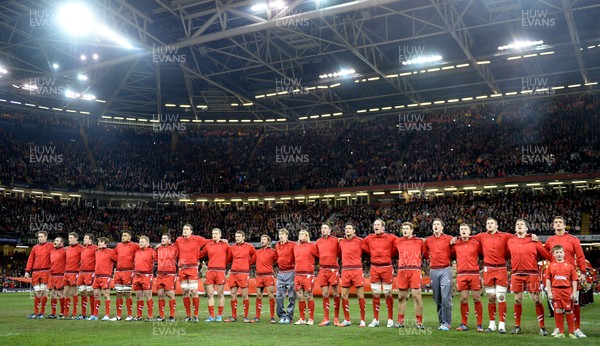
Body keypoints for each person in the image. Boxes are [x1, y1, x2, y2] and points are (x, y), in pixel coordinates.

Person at [544, 216, 587, 338]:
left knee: (575, 302)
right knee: (557, 305)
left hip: (570, 277)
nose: (558, 224)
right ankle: (559, 328)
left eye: (560, 222)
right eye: (556, 222)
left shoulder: (573, 239)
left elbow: (580, 257)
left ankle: (576, 328)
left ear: (564, 225)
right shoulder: (550, 240)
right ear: (553, 226)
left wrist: (583, 272)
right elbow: (544, 253)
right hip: (555, 278)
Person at [468, 217, 514, 333]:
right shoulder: (481, 236)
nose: (489, 224)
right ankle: (492, 324)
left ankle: (502, 325)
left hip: (501, 268)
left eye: (491, 223)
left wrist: (531, 235)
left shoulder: (505, 236)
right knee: (491, 297)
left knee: (501, 296)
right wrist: (455, 238)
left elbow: (518, 236)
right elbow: (467, 237)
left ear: (496, 226)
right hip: (488, 269)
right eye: (487, 223)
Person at [507, 219, 551, 336]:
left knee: (536, 300)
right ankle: (517, 326)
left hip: (531, 274)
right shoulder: (510, 241)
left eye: (522, 224)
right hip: (516, 274)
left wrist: (560, 263)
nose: (519, 226)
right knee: (517, 299)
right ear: (515, 229)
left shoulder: (533, 241)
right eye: (517, 224)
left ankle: (542, 327)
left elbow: (547, 255)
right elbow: (505, 254)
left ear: (527, 228)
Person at [363, 219, 397, 328]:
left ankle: (390, 319)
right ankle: (375, 319)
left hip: (386, 267)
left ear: (383, 227)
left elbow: (400, 244)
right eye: (374, 225)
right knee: (375, 293)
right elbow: (362, 245)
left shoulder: (391, 237)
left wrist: (390, 255)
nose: (376, 226)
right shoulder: (369, 238)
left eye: (378, 225)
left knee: (387, 293)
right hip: (374, 267)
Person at [394, 222, 426, 329]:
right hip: (402, 270)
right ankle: (400, 322)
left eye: (407, 228)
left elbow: (423, 254)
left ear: (412, 230)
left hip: (414, 270)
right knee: (401, 297)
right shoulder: (398, 241)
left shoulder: (419, 241)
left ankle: (419, 322)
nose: (405, 230)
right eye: (403, 229)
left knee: (417, 296)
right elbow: (394, 253)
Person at [174, 224, 209, 322]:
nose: (185, 231)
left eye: (187, 229)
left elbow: (209, 241)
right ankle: (188, 315)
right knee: (185, 292)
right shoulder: (178, 240)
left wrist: (222, 240)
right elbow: (173, 249)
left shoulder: (197, 239)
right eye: (184, 229)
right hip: (182, 269)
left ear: (191, 231)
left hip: (192, 268)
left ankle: (196, 315)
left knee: (194, 291)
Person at [453, 223, 483, 332]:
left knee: (476, 298)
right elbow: (451, 255)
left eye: (465, 229)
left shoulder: (476, 243)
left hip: (474, 274)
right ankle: (464, 324)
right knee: (463, 299)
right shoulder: (455, 243)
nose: (463, 230)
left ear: (470, 231)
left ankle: (479, 324)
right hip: (461, 274)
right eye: (461, 229)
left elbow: (483, 254)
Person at [424, 218, 453, 331]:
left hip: (445, 269)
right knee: (438, 298)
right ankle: (441, 322)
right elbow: (426, 253)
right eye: (434, 224)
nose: (435, 226)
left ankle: (447, 322)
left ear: (442, 227)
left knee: (446, 297)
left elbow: (453, 251)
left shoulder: (449, 238)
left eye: (437, 224)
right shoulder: (428, 240)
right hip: (433, 270)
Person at [544, 245, 578, 339]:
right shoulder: (550, 266)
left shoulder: (569, 266)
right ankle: (561, 332)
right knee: (558, 310)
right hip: (555, 290)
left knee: (568, 311)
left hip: (567, 290)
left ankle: (571, 332)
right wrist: (549, 292)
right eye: (557, 252)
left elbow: (574, 280)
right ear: (553, 254)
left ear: (564, 253)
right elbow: (548, 279)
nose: (559, 254)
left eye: (560, 252)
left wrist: (574, 292)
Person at [337, 224, 367, 327]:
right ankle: (347, 320)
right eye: (346, 228)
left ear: (354, 231)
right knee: (344, 295)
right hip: (345, 270)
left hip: (357, 270)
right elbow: (338, 254)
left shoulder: (360, 241)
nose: (347, 230)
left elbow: (368, 251)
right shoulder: (341, 242)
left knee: (360, 295)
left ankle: (362, 320)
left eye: (349, 228)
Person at [199, 228, 230, 322]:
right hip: (210, 271)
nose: (214, 235)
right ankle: (211, 316)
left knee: (220, 294)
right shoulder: (208, 245)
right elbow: (200, 255)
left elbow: (231, 255)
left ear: (220, 235)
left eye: (216, 233)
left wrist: (224, 264)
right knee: (210, 294)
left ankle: (219, 316)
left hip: (220, 272)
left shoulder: (225, 245)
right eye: (213, 233)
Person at [226, 231, 256, 323]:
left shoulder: (249, 247)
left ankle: (246, 316)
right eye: (236, 236)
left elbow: (255, 256)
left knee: (244, 294)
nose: (237, 238)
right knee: (233, 294)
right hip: (234, 273)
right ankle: (234, 316)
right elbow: (229, 259)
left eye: (239, 236)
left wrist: (248, 263)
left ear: (243, 237)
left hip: (243, 273)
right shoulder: (232, 247)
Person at [315, 223, 340, 326]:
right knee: (325, 294)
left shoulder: (335, 240)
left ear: (330, 230)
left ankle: (336, 318)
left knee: (335, 294)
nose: (323, 230)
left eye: (325, 228)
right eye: (322, 228)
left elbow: (340, 252)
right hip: (323, 270)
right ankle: (326, 318)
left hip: (333, 269)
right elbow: (316, 254)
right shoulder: (318, 242)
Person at [112, 230, 140, 321]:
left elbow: (143, 251)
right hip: (119, 271)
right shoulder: (119, 245)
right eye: (122, 235)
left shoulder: (134, 245)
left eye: (125, 235)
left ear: (130, 237)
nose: (122, 237)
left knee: (128, 293)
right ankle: (118, 315)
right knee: (118, 293)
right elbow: (113, 255)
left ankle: (130, 315)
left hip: (128, 271)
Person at [25, 231, 53, 319]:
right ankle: (36, 313)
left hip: (46, 272)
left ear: (46, 237)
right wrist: (27, 270)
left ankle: (41, 313)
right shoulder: (35, 247)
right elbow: (30, 260)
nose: (39, 238)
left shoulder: (51, 246)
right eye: (38, 237)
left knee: (43, 292)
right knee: (37, 293)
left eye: (41, 236)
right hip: (35, 272)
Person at [293, 230, 319, 325]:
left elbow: (319, 256)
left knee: (308, 296)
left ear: (307, 236)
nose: (300, 235)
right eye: (299, 234)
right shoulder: (295, 247)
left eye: (302, 234)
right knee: (300, 296)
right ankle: (302, 318)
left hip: (308, 274)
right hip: (297, 274)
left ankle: (311, 319)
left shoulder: (312, 246)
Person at [89, 237, 116, 321]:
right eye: (98, 242)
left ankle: (107, 315)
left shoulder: (110, 252)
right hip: (97, 276)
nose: (99, 243)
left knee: (106, 295)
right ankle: (95, 315)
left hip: (105, 276)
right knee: (96, 295)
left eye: (101, 242)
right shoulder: (96, 252)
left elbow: (118, 260)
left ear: (105, 243)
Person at [253, 234, 278, 323]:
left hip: (268, 275)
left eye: (264, 239)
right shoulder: (257, 252)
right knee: (258, 295)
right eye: (261, 239)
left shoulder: (272, 251)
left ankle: (272, 317)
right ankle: (257, 317)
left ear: (268, 242)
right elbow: (252, 261)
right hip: (259, 276)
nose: (262, 241)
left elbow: (277, 260)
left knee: (270, 295)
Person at [132, 236, 156, 321]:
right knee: (138, 296)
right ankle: (139, 316)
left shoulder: (152, 251)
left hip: (146, 275)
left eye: (142, 242)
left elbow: (157, 260)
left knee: (148, 295)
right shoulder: (137, 252)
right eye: (140, 241)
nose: (140, 243)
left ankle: (150, 316)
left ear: (147, 243)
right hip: (137, 276)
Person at [275, 228, 296, 324]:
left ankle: (289, 316)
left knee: (291, 295)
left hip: (290, 272)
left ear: (287, 235)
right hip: (280, 273)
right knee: (279, 295)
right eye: (279, 234)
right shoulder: (277, 245)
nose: (281, 236)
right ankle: (282, 315)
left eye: (283, 234)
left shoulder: (293, 245)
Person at [156, 233, 178, 322]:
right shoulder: (158, 248)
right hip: (160, 274)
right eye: (162, 238)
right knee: (160, 294)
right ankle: (161, 316)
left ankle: (172, 316)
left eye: (165, 238)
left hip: (170, 274)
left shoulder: (174, 248)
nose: (163, 239)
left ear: (169, 240)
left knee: (170, 294)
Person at [76, 234, 97, 320]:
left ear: (91, 240)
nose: (84, 239)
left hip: (90, 272)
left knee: (90, 293)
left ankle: (93, 313)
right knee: (82, 292)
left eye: (86, 238)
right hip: (82, 273)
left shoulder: (95, 248)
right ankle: (83, 314)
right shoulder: (83, 249)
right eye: (84, 237)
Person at [63, 232, 83, 319]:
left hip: (75, 273)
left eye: (71, 238)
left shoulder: (81, 248)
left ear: (76, 239)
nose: (69, 239)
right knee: (66, 293)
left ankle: (74, 313)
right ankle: (65, 313)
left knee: (74, 293)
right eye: (69, 238)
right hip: (66, 272)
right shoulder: (67, 249)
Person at [48, 237, 67, 319]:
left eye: (57, 241)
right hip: (52, 276)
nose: (54, 242)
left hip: (60, 275)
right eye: (54, 240)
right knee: (52, 295)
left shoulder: (65, 251)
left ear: (62, 243)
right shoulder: (51, 251)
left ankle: (62, 312)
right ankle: (53, 313)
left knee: (60, 294)